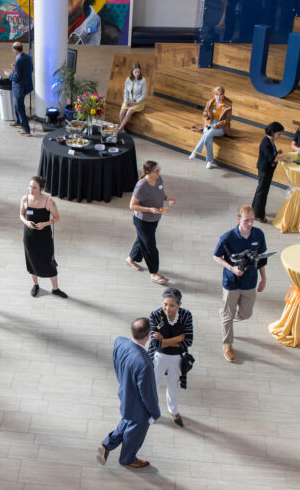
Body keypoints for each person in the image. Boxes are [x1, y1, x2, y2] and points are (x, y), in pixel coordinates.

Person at [97, 318, 160, 469]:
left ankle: (107, 444)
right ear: (148, 335)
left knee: (127, 419)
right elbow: (148, 393)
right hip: (138, 404)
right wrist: (155, 413)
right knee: (135, 431)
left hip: (125, 392)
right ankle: (128, 458)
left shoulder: (120, 342)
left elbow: (115, 362)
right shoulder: (144, 364)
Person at [213, 205, 268, 363]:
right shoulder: (228, 237)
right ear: (238, 219)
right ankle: (228, 344)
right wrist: (232, 268)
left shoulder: (259, 234)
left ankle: (225, 316)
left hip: (250, 282)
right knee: (228, 315)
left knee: (246, 314)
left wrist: (264, 278)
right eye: (246, 220)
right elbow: (216, 256)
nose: (250, 223)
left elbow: (261, 259)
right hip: (231, 283)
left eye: (252, 220)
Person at [148, 288, 194, 428]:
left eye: (172, 305)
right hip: (158, 357)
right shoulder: (155, 315)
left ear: (179, 304)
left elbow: (188, 341)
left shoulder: (186, 315)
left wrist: (164, 340)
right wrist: (178, 339)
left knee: (172, 386)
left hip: (176, 358)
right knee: (153, 386)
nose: (167, 308)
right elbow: (155, 343)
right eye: (165, 304)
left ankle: (173, 410)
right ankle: (152, 412)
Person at [127, 160, 174, 285]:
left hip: (154, 218)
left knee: (142, 239)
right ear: (149, 172)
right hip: (142, 220)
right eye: (156, 170)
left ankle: (130, 259)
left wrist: (166, 198)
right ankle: (154, 274)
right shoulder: (141, 186)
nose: (159, 172)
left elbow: (160, 192)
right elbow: (132, 205)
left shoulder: (158, 179)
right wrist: (148, 209)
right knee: (150, 247)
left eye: (159, 169)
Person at [20, 176, 64, 298]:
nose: (31, 189)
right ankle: (36, 285)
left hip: (44, 237)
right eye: (30, 186)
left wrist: (45, 223)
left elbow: (57, 218)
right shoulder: (25, 199)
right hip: (29, 236)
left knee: (49, 261)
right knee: (31, 260)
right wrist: (26, 222)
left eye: (34, 187)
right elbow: (21, 215)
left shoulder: (48, 201)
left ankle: (55, 288)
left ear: (41, 189)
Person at [252, 121, 292, 223]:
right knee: (262, 192)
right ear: (273, 132)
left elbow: (271, 153)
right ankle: (258, 215)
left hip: (266, 169)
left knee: (260, 190)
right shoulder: (266, 142)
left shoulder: (269, 140)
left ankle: (254, 210)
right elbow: (271, 158)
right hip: (265, 170)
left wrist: (277, 153)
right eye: (279, 133)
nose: (280, 135)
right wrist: (283, 158)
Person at [189, 86, 232, 169]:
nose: (218, 97)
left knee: (210, 132)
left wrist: (217, 125)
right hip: (210, 124)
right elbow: (205, 115)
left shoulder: (228, 105)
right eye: (217, 94)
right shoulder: (210, 103)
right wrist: (209, 123)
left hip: (221, 127)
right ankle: (209, 160)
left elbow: (227, 120)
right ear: (214, 95)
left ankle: (195, 151)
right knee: (208, 136)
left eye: (220, 95)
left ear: (223, 95)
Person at [5, 42, 33, 135]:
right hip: (27, 85)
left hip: (19, 88)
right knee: (17, 105)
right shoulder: (28, 57)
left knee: (20, 107)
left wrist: (9, 74)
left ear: (15, 50)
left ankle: (26, 129)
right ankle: (18, 121)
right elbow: (30, 69)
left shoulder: (19, 60)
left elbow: (16, 78)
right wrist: (16, 67)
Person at [119, 63, 145, 131]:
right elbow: (125, 92)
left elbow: (143, 95)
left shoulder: (143, 80)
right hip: (129, 100)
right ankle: (122, 129)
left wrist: (135, 102)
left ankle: (120, 129)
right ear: (132, 72)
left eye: (138, 72)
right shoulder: (128, 80)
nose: (137, 73)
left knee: (129, 112)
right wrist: (125, 100)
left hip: (138, 102)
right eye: (135, 72)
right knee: (122, 112)